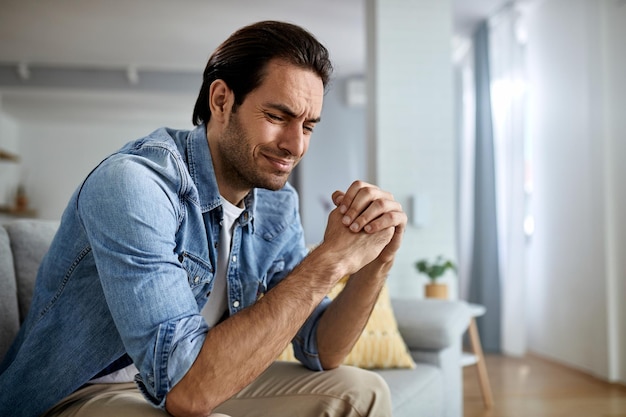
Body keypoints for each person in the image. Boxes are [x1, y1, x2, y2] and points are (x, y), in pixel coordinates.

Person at [0, 20, 407, 417]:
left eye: (309, 126)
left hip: (201, 378)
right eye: (278, 117)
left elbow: (321, 348)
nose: (295, 145)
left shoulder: (276, 206)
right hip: (82, 391)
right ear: (221, 100)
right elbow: (186, 393)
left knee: (362, 392)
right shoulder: (135, 184)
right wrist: (329, 261)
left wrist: (377, 263)